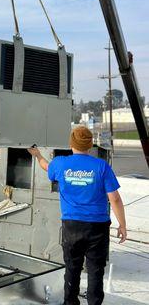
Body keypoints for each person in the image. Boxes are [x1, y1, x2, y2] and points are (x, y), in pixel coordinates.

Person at [28, 126, 127, 305]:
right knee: (96, 271)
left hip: (71, 226)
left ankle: (70, 302)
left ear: (71, 143)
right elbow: (115, 199)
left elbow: (46, 166)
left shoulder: (60, 164)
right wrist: (122, 225)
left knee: (72, 269)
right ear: (90, 145)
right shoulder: (101, 166)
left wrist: (37, 154)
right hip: (97, 228)